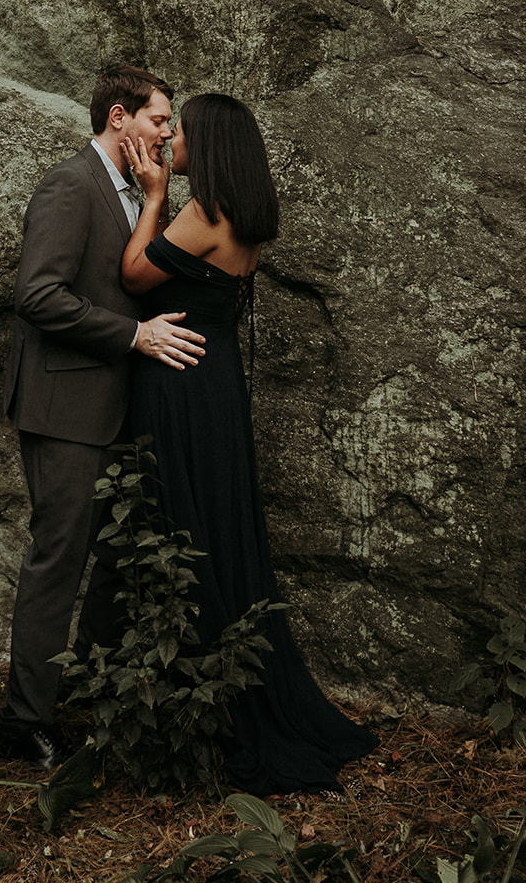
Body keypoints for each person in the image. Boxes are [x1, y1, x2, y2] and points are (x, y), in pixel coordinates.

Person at [121, 93, 378, 794]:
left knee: (182, 514)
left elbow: (136, 275)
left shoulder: (202, 213)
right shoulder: (249, 218)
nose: (169, 137)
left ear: (206, 147)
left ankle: (206, 699)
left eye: (181, 132)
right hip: (219, 382)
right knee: (218, 518)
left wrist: (152, 197)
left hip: (178, 381)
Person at [0, 64, 207, 769]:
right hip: (63, 409)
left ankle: (83, 695)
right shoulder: (68, 184)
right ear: (118, 117)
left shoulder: (132, 194)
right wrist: (133, 336)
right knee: (57, 563)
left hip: (119, 411)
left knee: (116, 563)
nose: (166, 134)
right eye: (158, 120)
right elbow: (38, 295)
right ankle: (24, 723)